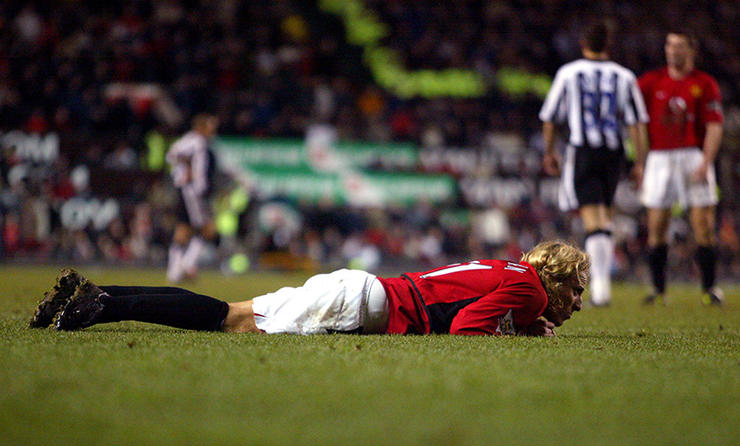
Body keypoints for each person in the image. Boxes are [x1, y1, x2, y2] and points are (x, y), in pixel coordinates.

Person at [29, 240, 588, 337]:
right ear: (555, 281)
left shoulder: (509, 271)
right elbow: (465, 325)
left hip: (359, 289)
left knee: (230, 310)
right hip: (365, 303)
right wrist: (518, 332)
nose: (576, 303)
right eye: (576, 291)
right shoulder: (533, 291)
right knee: (229, 319)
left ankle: (94, 292)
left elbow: (461, 304)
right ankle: (101, 307)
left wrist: (512, 322)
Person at [539, 21, 649, 307]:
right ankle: (602, 282)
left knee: (592, 218)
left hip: (583, 150)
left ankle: (599, 286)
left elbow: (549, 116)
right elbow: (637, 123)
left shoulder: (569, 72)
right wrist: (640, 162)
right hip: (614, 153)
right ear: (608, 45)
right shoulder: (624, 76)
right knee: (605, 216)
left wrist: (549, 151)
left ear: (583, 45)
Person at [635, 29, 724, 305]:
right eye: (669, 44)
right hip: (659, 158)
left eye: (679, 45)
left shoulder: (705, 83)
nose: (672, 50)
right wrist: (640, 162)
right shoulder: (650, 82)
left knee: (703, 226)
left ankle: (709, 289)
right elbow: (637, 124)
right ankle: (658, 290)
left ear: (691, 50)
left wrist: (706, 162)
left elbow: (714, 125)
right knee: (657, 226)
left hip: (693, 156)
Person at [165, 113, 220, 282]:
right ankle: (186, 265)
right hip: (192, 192)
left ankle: (176, 270)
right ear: (201, 127)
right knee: (206, 229)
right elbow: (173, 155)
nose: (213, 130)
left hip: (192, 191)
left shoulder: (200, 142)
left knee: (185, 229)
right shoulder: (194, 141)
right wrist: (187, 169)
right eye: (210, 126)